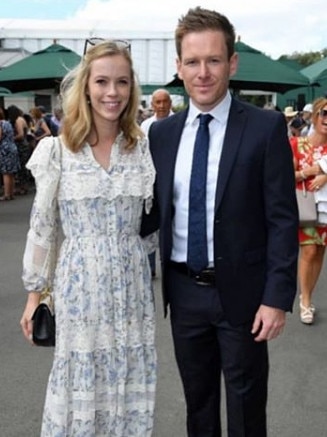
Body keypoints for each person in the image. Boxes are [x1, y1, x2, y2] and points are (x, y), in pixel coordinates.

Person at [141, 7, 298, 436]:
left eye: (213, 60)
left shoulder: (265, 128)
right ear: (178, 67)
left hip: (245, 296)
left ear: (232, 62)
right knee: (199, 405)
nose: (203, 72)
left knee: (247, 410)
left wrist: (276, 297)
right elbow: (149, 211)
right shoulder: (162, 134)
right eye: (192, 62)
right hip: (183, 292)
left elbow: (282, 219)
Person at [20, 39, 156, 436]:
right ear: (86, 87)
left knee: (127, 381)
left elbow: (152, 226)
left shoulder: (143, 149)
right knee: (80, 379)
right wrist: (35, 295)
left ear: (133, 89)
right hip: (79, 290)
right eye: (101, 82)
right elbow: (43, 226)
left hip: (132, 290)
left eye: (122, 82)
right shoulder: (57, 151)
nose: (111, 92)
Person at [290, 97, 327, 325]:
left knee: (319, 252)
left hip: (326, 209)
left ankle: (309, 296)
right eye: (325, 113)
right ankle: (304, 299)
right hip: (305, 205)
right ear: (315, 116)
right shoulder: (297, 144)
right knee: (310, 251)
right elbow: (285, 174)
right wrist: (310, 172)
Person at [141, 88, 174, 278]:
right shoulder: (146, 126)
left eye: (164, 102)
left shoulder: (179, 123)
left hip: (171, 182)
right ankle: (151, 266)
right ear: (152, 105)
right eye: (157, 102)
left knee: (170, 227)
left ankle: (170, 265)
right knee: (151, 225)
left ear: (170, 103)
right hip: (151, 182)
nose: (161, 106)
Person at [7, 104, 31, 195]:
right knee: (22, 166)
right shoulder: (21, 119)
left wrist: (11, 138)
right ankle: (23, 186)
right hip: (23, 145)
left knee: (22, 167)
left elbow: (20, 134)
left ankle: (23, 187)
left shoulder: (18, 120)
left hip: (21, 145)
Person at [0, 107, 20, 200]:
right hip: (12, 146)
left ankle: (7, 194)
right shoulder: (7, 123)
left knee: (5, 172)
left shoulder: (0, 124)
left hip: (4, 149)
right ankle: (11, 193)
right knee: (11, 173)